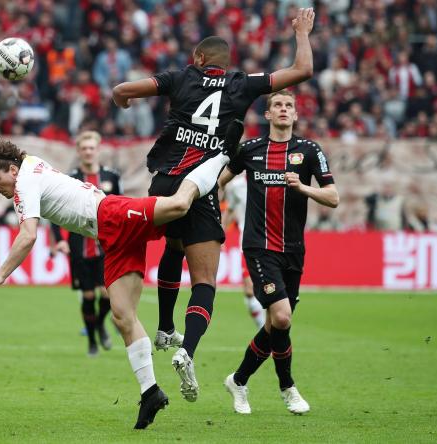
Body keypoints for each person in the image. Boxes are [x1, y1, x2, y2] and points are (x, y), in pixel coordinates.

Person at [0, 132, 240, 429]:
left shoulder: (23, 183)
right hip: (108, 236)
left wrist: (0, 274)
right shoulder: (25, 165)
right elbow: (2, 167)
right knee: (122, 315)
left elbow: (28, 236)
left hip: (112, 214)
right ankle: (151, 393)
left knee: (179, 205)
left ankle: (222, 156)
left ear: (12, 172)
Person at [112, 7, 315, 403]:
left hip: (166, 180)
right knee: (204, 281)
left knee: (172, 246)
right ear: (226, 62)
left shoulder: (181, 76)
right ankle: (187, 346)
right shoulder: (243, 83)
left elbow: (122, 90)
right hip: (202, 187)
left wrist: (122, 101)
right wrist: (302, 33)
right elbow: (301, 70)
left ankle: (165, 326)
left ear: (199, 59)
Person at [219, 90, 339, 415]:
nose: (283, 110)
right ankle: (288, 388)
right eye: (277, 106)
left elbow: (333, 197)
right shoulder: (250, 150)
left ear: (295, 115)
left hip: (294, 251)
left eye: (289, 106)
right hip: (259, 247)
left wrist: (303, 188)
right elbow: (219, 181)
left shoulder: (309, 150)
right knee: (282, 316)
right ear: (268, 115)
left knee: (276, 325)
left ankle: (239, 380)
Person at [51, 131, 122, 357]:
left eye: (92, 148)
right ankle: (92, 340)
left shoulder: (111, 177)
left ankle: (100, 325)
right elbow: (54, 212)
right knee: (89, 296)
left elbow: (119, 208)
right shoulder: (70, 179)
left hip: (105, 246)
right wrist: (60, 241)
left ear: (98, 149)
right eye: (84, 148)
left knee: (108, 295)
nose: (88, 152)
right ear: (78, 151)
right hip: (79, 246)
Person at [222, 173, 266, 329]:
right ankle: (263, 328)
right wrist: (221, 233)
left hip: (269, 243)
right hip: (246, 244)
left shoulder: (268, 180)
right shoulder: (236, 186)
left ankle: (270, 328)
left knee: (269, 289)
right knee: (249, 290)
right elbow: (230, 210)